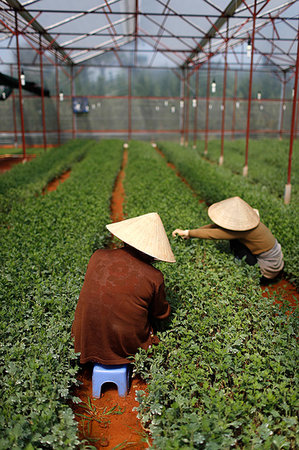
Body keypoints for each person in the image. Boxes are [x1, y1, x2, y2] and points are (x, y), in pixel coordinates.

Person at [71, 212, 176, 365]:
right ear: (152, 252)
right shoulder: (154, 276)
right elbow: (161, 314)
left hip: (84, 340)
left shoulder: (98, 256)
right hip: (125, 348)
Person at [172, 196, 284, 284]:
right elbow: (214, 227)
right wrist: (189, 232)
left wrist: (188, 233)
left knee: (236, 245)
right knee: (236, 242)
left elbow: (214, 234)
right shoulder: (248, 224)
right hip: (273, 258)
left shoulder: (242, 230)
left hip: (267, 270)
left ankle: (246, 274)